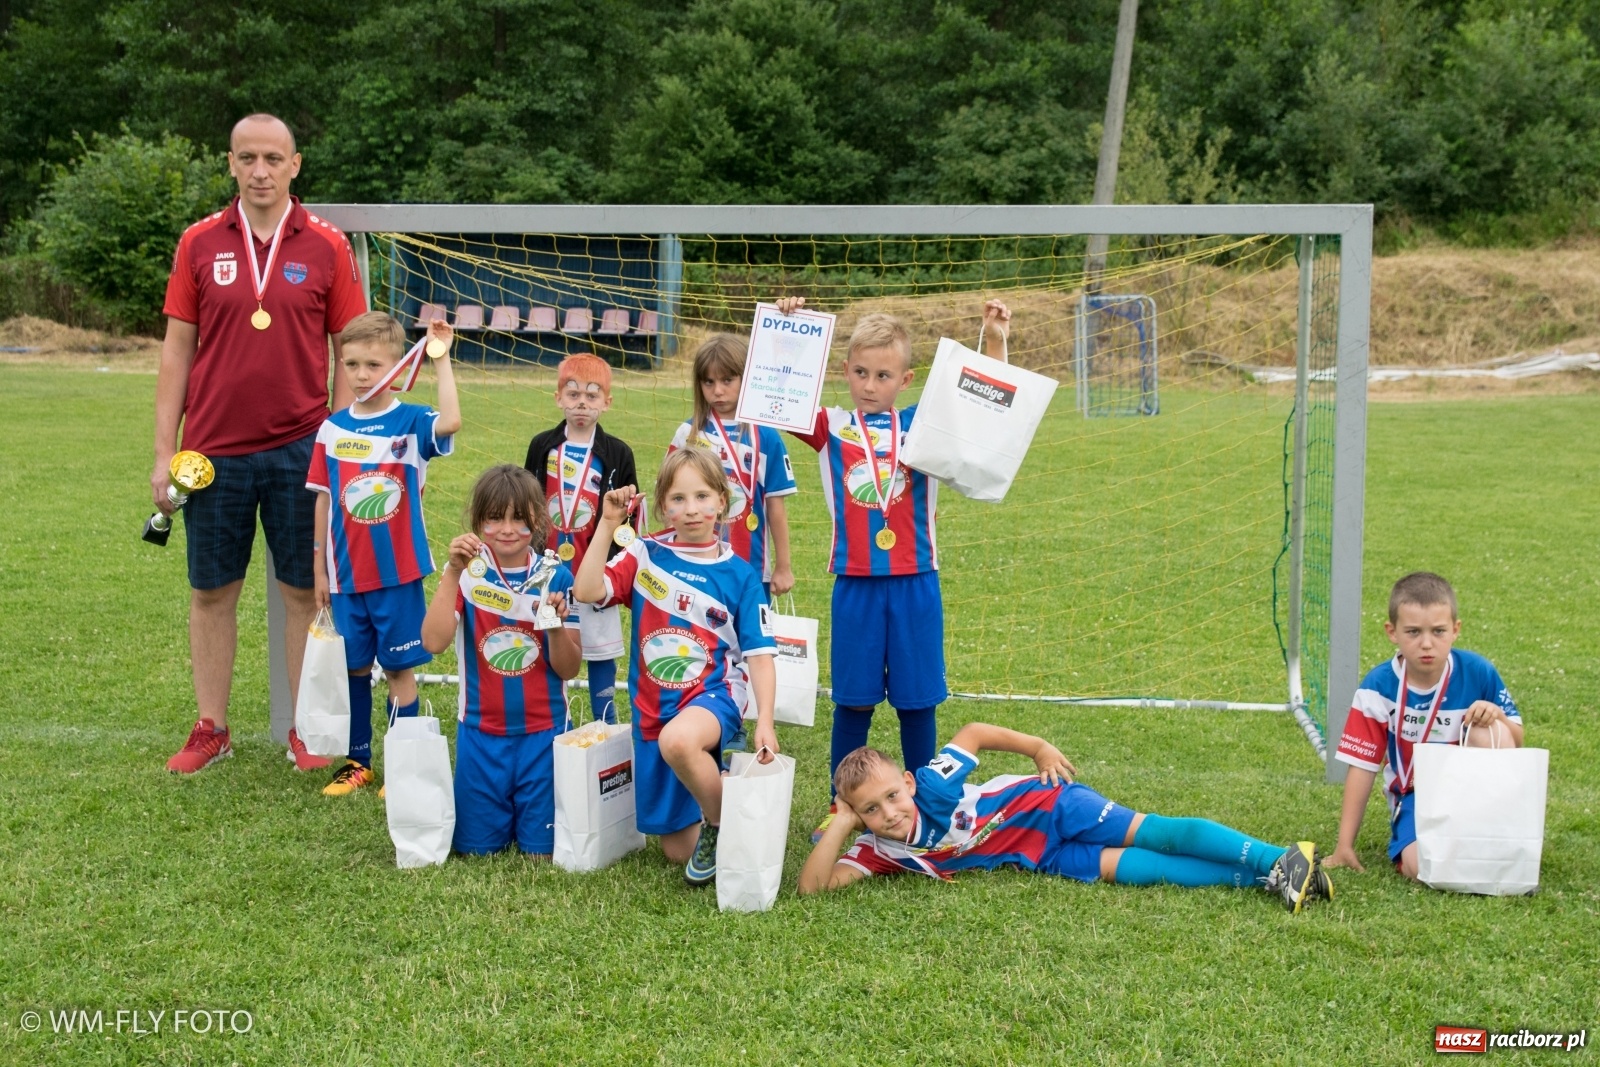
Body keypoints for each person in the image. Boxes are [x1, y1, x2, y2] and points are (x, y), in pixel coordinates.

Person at [159, 113, 370, 774]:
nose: (260, 170)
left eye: (272, 158)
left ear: (295, 165)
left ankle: (304, 727)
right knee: (212, 591)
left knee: (303, 593)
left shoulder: (328, 245)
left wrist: (335, 446)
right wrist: (163, 451)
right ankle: (211, 727)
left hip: (300, 450)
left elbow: (353, 352)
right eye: (247, 157)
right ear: (230, 164)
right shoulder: (197, 243)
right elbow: (176, 354)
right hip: (213, 451)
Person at [775, 295, 1009, 839]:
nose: (869, 384)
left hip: (915, 584)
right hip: (854, 584)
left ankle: (924, 807)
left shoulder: (923, 424)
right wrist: (789, 327)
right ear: (845, 371)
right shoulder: (831, 425)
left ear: (906, 379)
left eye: (883, 374)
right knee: (851, 701)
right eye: (860, 372)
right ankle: (843, 808)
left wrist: (993, 339)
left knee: (917, 700)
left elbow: (985, 407)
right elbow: (777, 395)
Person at [799, 724, 1332, 912]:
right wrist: (843, 825)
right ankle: (1268, 878)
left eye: (893, 796)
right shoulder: (878, 849)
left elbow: (975, 732)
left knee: (1160, 833)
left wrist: (1038, 748)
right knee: (1140, 868)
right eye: (871, 809)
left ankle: (1276, 857)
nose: (889, 813)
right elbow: (812, 890)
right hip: (1039, 855)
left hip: (1050, 804)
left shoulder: (932, 784)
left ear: (908, 783)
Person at [571, 448, 778, 887]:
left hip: (714, 695)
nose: (691, 510)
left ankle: (726, 824)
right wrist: (609, 524)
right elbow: (587, 590)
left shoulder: (740, 575)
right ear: (662, 505)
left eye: (702, 496)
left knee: (680, 741)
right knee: (675, 851)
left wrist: (764, 720)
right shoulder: (645, 555)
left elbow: (760, 655)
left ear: (722, 501)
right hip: (653, 705)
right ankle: (718, 788)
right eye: (678, 499)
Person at [305, 311, 460, 795]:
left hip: (397, 575)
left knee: (397, 669)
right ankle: (358, 762)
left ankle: (401, 763)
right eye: (351, 364)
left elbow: (452, 420)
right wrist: (318, 564)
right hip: (346, 577)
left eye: (373, 364)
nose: (361, 375)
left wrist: (441, 358)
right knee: (352, 668)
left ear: (397, 368)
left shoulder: (410, 421)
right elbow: (325, 499)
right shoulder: (332, 429)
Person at [421, 465, 582, 858]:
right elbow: (433, 641)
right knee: (477, 850)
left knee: (541, 851)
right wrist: (452, 573)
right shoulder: (467, 574)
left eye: (519, 518)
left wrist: (556, 627)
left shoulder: (556, 576)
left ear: (538, 522)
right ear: (478, 521)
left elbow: (569, 668)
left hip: (544, 736)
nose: (507, 529)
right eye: (494, 518)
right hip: (481, 735)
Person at [1325, 571, 1523, 880]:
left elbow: (1516, 741)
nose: (1427, 643)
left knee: (1490, 729)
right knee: (1420, 868)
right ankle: (1470, 855)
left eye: (1439, 631)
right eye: (1414, 632)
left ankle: (1494, 833)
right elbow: (1363, 767)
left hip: (1477, 794)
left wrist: (1495, 713)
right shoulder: (1377, 687)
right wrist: (1344, 845)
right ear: (1392, 632)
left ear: (1455, 630)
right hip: (1417, 795)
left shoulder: (1479, 672)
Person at [523, 354, 637, 725]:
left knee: (600, 652)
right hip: (551, 571)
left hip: (594, 571)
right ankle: (557, 721)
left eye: (592, 395)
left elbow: (627, 519)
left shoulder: (618, 453)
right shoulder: (542, 445)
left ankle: (606, 722)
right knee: (552, 643)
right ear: (558, 398)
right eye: (573, 395)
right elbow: (527, 500)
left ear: (607, 402)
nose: (582, 404)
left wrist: (616, 568)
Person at [666, 333, 797, 599]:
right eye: (709, 381)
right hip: (692, 561)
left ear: (747, 378)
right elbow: (670, 498)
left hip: (751, 566)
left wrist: (783, 567)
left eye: (727, 380)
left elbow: (775, 507)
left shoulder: (766, 436)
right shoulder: (687, 434)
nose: (718, 390)